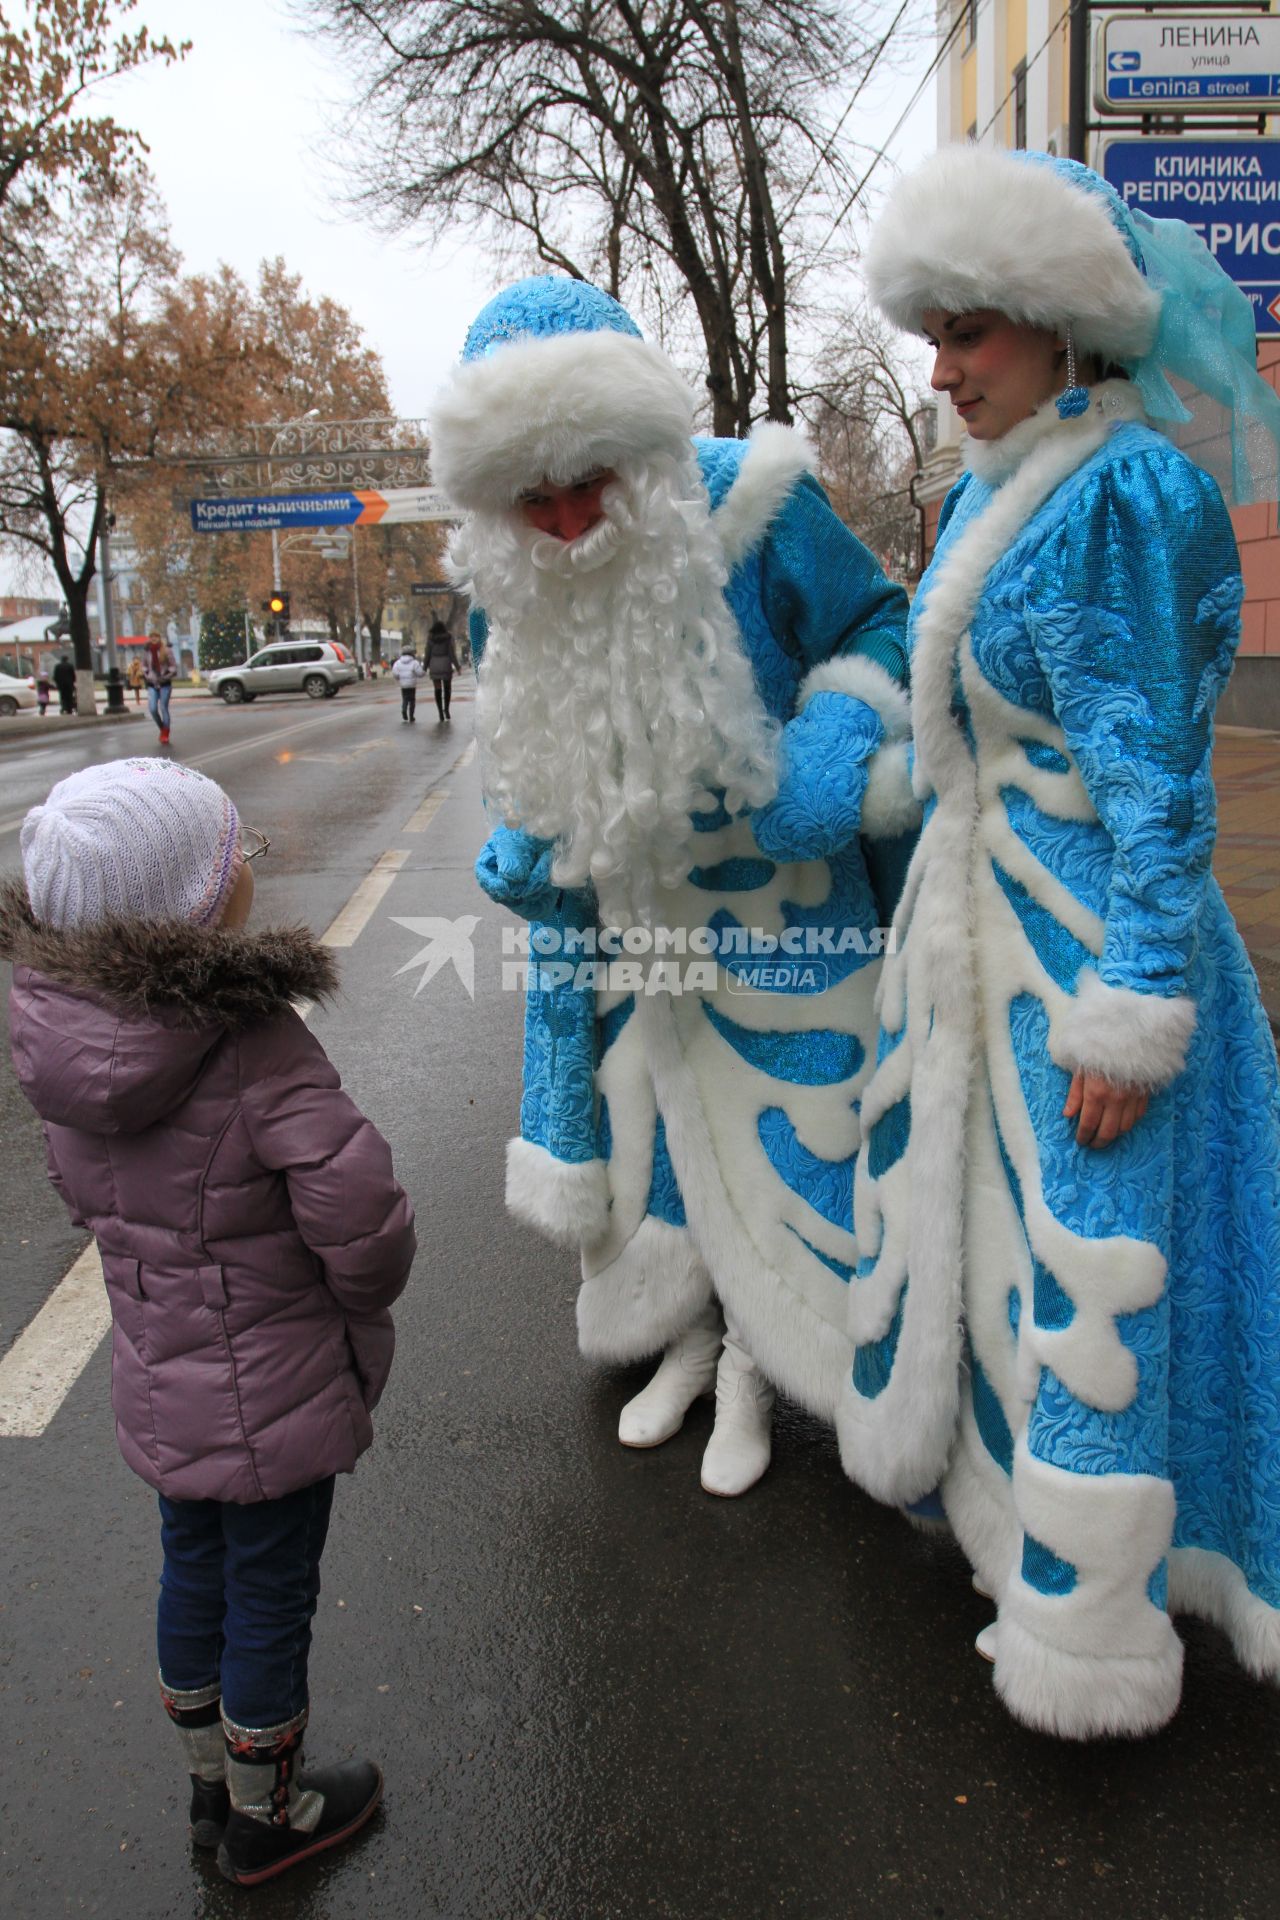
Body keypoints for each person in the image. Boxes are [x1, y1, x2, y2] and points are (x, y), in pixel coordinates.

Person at [841, 144, 1280, 1739]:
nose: (945, 371)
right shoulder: (1006, 480)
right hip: (987, 937)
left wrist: (1134, 998)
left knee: (1104, 1277)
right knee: (1004, 1249)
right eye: (936, 337)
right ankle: (1019, 1548)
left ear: (1062, 325)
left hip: (1095, 955)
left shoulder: (1127, 496)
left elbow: (1155, 781)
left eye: (972, 334)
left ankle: (1096, 1631)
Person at [430, 276, 915, 1496]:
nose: (563, 521)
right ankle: (688, 1339)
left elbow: (880, 628)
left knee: (796, 1134)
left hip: (781, 914)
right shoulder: (510, 574)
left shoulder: (754, 506)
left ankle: (761, 1358)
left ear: (633, 445)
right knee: (648, 1135)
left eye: (583, 481)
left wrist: (829, 749)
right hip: (627, 930)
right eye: (529, 498)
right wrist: (523, 848)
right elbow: (525, 747)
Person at [3, 758, 417, 1882]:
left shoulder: (62, 1043)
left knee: (191, 1569)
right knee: (271, 1595)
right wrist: (361, 1305)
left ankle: (208, 1783)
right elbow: (361, 1216)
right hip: (276, 1383)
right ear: (192, 903)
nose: (248, 867)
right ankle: (267, 1817)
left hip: (157, 1369)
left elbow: (84, 1199)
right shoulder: (251, 1045)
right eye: (233, 857)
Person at [143, 634, 177, 745]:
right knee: (152, 709)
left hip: (164, 684)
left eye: (156, 636)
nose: (153, 639)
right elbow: (144, 666)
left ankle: (165, 733)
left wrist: (165, 676)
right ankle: (162, 728)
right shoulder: (147, 651)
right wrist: (147, 675)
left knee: (163, 707)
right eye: (151, 636)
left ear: (159, 638)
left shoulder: (166, 651)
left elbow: (173, 667)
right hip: (152, 684)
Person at [425, 619, 460, 721]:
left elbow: (427, 654)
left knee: (437, 689)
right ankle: (447, 710)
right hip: (445, 665)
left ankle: (440, 712)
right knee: (447, 689)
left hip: (434, 665)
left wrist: (424, 667)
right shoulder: (448, 638)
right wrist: (457, 667)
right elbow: (451, 653)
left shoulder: (430, 639)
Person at [390, 645, 423, 722]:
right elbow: (420, 673)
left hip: (403, 685)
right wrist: (423, 673)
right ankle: (411, 716)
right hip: (412, 685)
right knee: (412, 700)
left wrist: (398, 678)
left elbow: (395, 673)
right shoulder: (415, 663)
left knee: (405, 698)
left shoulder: (397, 663)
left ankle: (404, 710)